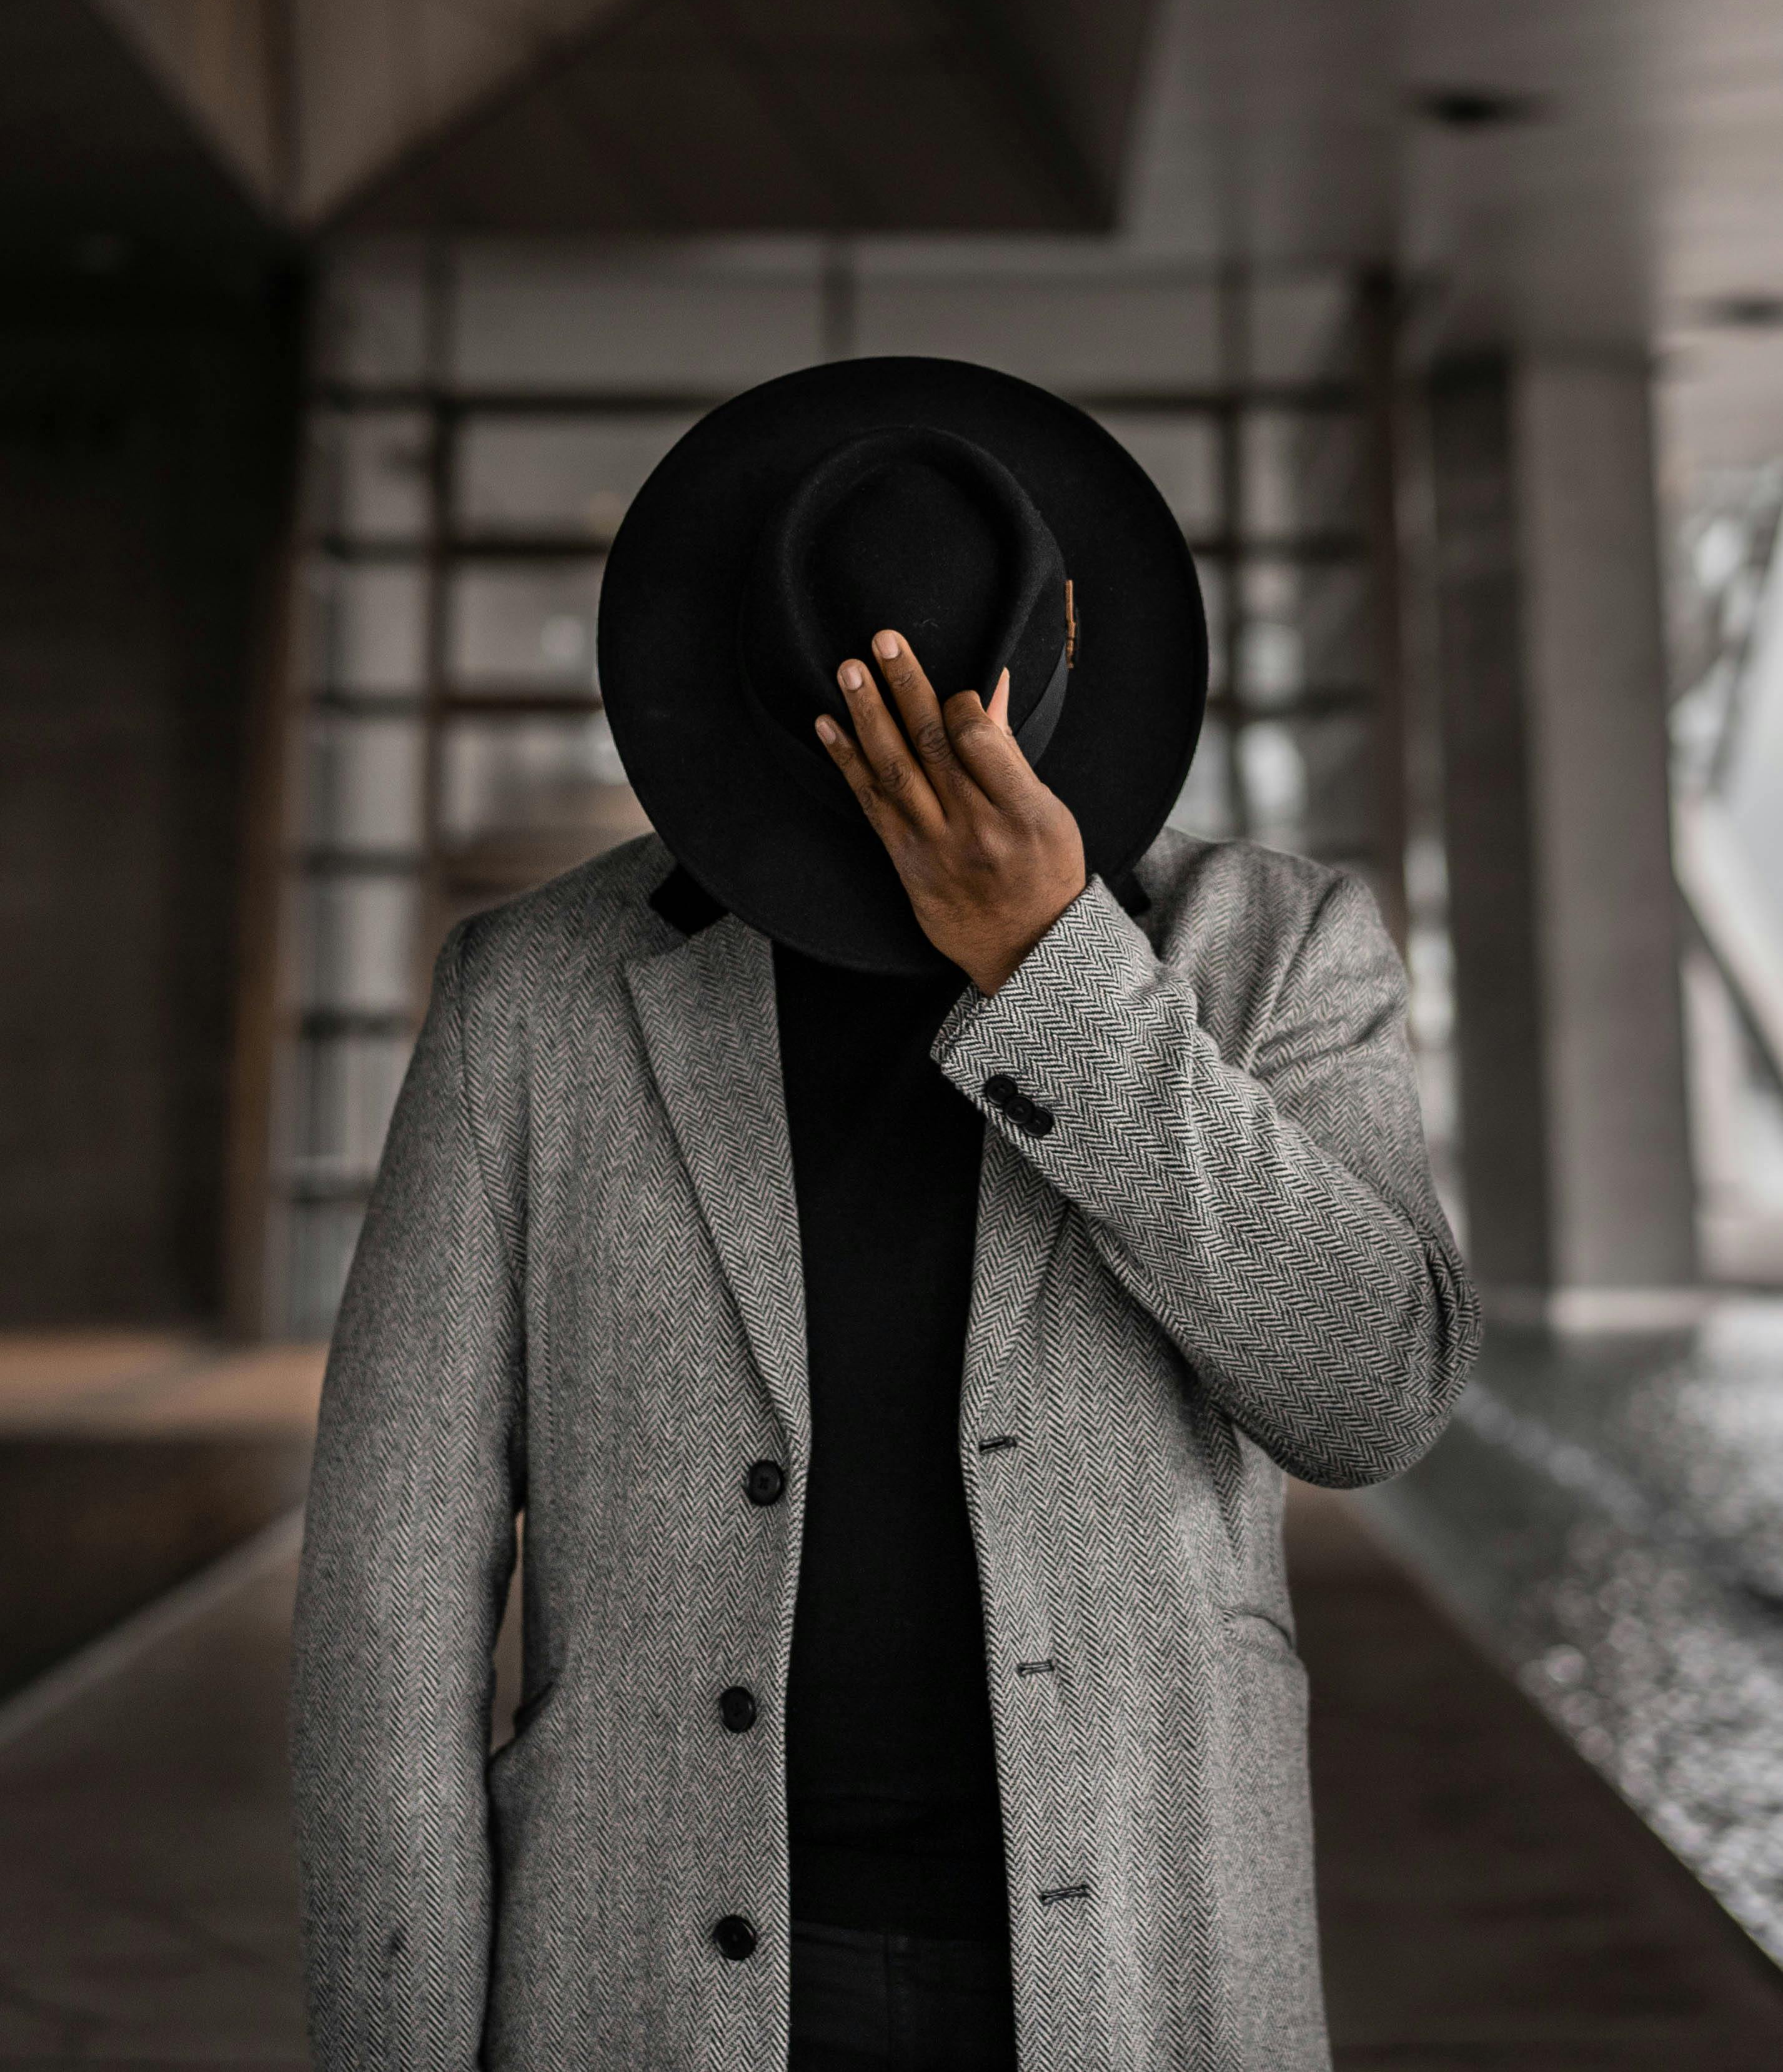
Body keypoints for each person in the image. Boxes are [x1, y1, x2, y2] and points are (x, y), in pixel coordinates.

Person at [289, 357, 1479, 2072]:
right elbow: (390, 1599)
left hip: (1144, 1970)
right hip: (652, 1980)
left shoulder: (1276, 953)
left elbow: (1377, 1390)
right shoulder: (537, 998)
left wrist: (1060, 974)